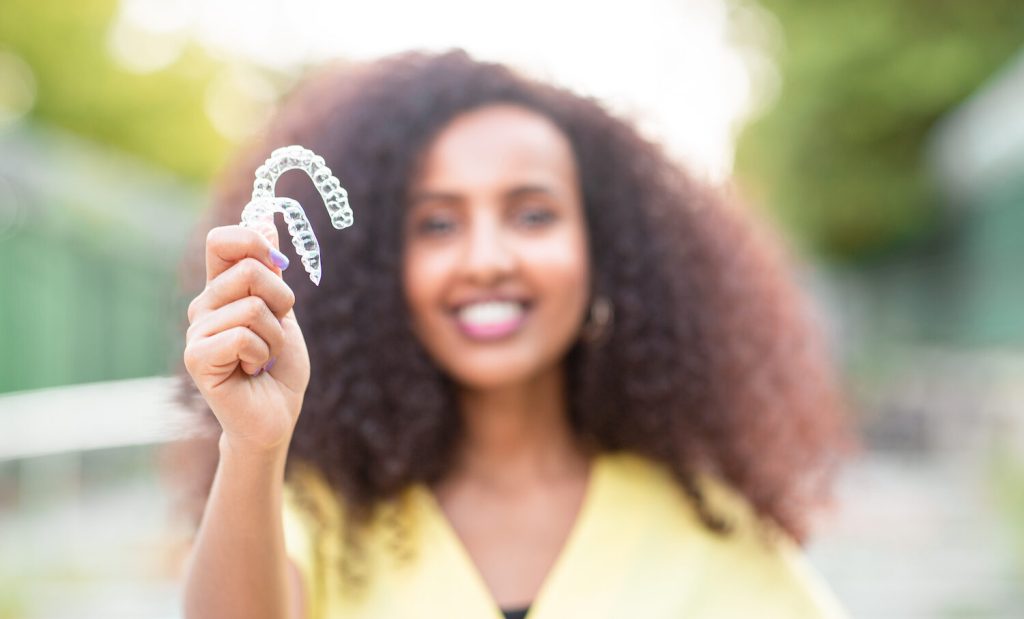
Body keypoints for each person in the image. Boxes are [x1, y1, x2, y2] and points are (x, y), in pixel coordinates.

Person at [177, 49, 852, 619]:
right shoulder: (319, 517)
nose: (488, 258)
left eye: (533, 215)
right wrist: (254, 444)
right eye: (438, 224)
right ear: (384, 272)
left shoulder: (710, 523)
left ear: (607, 251)